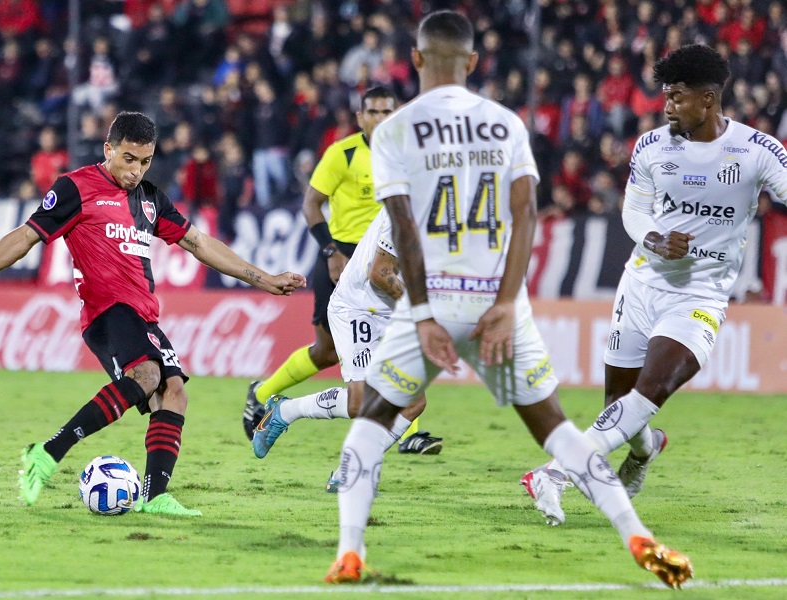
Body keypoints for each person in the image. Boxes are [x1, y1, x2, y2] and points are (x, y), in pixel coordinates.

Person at [322, 12, 693, 589]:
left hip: (436, 296)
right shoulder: (505, 125)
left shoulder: (394, 134)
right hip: (498, 298)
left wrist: (422, 315)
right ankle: (637, 535)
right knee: (558, 430)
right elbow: (525, 217)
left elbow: (403, 236)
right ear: (472, 63)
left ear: (416, 60)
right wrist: (504, 302)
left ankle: (349, 553)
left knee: (370, 424)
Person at [0, 112, 306, 516]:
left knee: (174, 393)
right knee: (146, 376)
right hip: (106, 312)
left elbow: (200, 244)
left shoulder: (150, 199)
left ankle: (156, 495)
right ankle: (47, 452)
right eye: (128, 159)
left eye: (144, 162)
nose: (135, 171)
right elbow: (25, 237)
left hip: (144, 315)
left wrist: (264, 279)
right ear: (108, 149)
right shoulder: (75, 187)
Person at [520, 44, 787, 524]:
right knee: (623, 413)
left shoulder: (757, 151)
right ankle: (645, 451)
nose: (666, 107)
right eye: (665, 96)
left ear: (708, 99)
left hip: (701, 294)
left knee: (653, 389)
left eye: (677, 97)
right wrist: (655, 238)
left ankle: (556, 472)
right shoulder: (652, 146)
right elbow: (634, 210)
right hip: (641, 286)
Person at [242, 86, 443, 455]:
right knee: (328, 354)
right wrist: (331, 251)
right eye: (374, 113)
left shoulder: (405, 160)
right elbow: (312, 205)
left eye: (388, 113)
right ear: (361, 117)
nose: (381, 120)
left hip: (387, 261)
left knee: (407, 390)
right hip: (347, 259)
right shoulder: (344, 154)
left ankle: (388, 444)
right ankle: (267, 396)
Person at [252, 208, 437, 483]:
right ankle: (285, 411)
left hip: (393, 313)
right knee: (359, 402)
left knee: (413, 401)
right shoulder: (405, 207)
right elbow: (380, 272)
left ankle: (347, 474)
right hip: (358, 308)